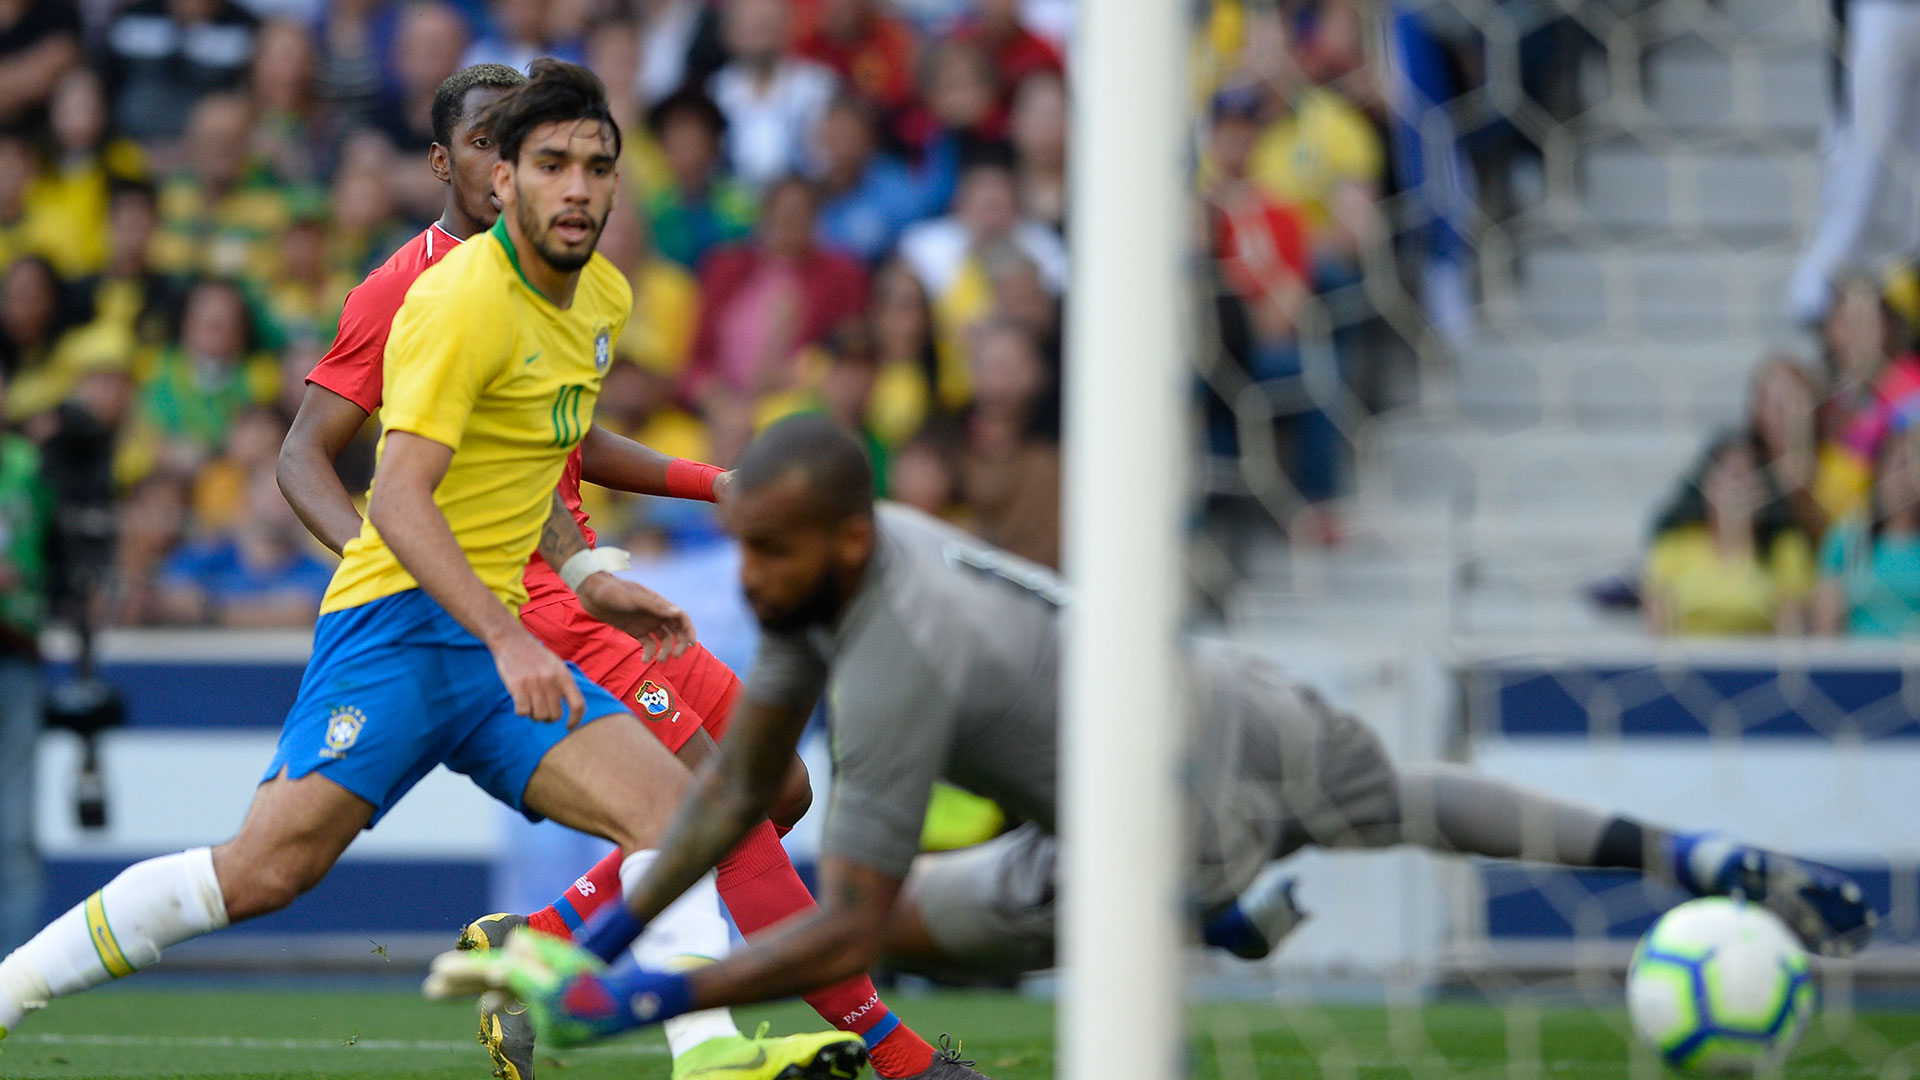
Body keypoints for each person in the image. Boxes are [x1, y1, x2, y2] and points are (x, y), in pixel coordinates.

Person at [430, 416, 1874, 1048]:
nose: (744, 587)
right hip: (1221, 696)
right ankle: (1705, 861)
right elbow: (734, 788)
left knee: (896, 925)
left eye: (767, 560)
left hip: (1141, 825)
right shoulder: (867, 554)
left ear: (841, 542)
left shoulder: (899, 663)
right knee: (1413, 800)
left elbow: (835, 935)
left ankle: (1202, 903)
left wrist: (643, 1002)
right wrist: (609, 945)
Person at [0, 60, 859, 1080]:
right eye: (539, 159)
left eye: (589, 163)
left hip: (502, 626)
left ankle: (711, 1054)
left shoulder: (596, 294)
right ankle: (9, 991)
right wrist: (472, 610)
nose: (565, 182)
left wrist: (585, 569)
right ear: (484, 174)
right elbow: (364, 481)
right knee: (267, 870)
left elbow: (539, 452)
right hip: (409, 627)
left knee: (682, 818)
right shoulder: (434, 297)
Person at [276, 62, 977, 1080]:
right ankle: (893, 1053)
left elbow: (567, 441)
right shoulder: (414, 288)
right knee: (717, 807)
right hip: (506, 596)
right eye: (500, 147)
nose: (536, 174)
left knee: (776, 790)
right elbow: (308, 454)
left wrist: (696, 491)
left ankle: (544, 942)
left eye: (567, 156)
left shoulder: (565, 286)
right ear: (463, 163)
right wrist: (390, 572)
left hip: (574, 580)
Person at [1643, 433, 1816, 636]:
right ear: (1706, 484)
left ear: (1765, 488)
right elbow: (1657, 631)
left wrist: (1739, 534)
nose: (1736, 488)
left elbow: (1791, 634)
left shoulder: (1786, 548)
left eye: (1747, 476)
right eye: (1730, 476)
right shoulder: (1674, 544)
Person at [0, 365, 53, 954]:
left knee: (14, 830)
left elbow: (46, 557)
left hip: (15, 652)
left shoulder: (29, 465)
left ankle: (11, 976)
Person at [1814, 424, 1920, 635]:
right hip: (1860, 664)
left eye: (1913, 468)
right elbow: (1825, 628)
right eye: (1898, 466)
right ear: (1879, 473)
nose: (1905, 479)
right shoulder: (1848, 538)